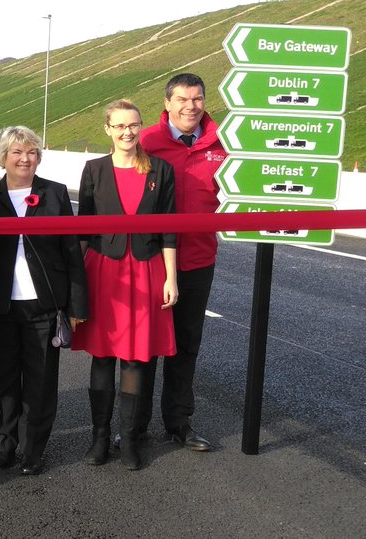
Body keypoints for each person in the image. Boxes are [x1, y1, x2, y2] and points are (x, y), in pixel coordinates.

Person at [0, 126, 88, 476]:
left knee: (40, 381)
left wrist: (75, 306)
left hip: (43, 304)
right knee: (0, 379)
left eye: (32, 153)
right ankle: (3, 444)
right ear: (4, 157)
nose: (25, 159)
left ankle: (33, 449)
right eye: (17, 153)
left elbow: (72, 251)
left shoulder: (53, 194)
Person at [73, 98, 178, 471]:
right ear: (108, 129)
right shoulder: (93, 170)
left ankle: (130, 438)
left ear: (140, 126)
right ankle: (99, 438)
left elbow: (169, 229)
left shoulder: (160, 170)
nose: (126, 132)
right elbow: (82, 229)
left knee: (136, 359)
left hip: (147, 271)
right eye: (118, 126)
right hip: (103, 271)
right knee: (103, 357)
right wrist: (76, 285)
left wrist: (171, 278)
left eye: (132, 125)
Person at [136, 72, 226, 452]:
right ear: (168, 104)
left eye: (198, 98)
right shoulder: (147, 142)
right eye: (183, 99)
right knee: (143, 346)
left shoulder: (223, 143)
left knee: (187, 344)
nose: (191, 106)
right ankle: (133, 426)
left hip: (199, 258)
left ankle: (178, 421)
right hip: (151, 261)